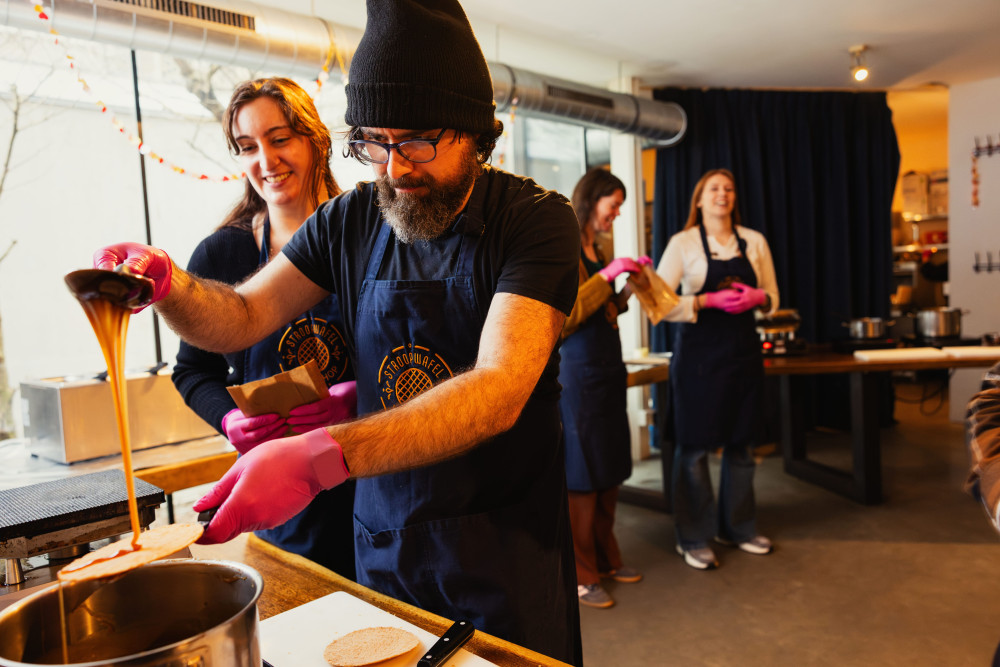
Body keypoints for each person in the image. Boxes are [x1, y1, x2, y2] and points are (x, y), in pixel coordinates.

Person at [92, 1, 582, 663]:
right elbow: (241, 316)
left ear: (474, 129)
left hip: (502, 553)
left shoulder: (535, 221)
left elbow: (498, 388)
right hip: (384, 545)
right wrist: (171, 284)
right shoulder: (352, 220)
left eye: (415, 140)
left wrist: (319, 454)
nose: (393, 168)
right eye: (373, 142)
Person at [170, 77, 357, 579]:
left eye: (280, 139)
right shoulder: (222, 254)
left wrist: (358, 395)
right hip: (283, 503)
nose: (266, 161)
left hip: (369, 480)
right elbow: (192, 372)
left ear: (315, 138)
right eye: (248, 146)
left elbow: (412, 352)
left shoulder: (363, 237)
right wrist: (230, 421)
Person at [654, 168, 779, 570]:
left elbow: (774, 298)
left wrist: (760, 297)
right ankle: (692, 537)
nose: (722, 194)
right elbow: (659, 301)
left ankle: (738, 528)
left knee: (742, 445)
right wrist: (706, 303)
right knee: (693, 449)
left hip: (743, 356)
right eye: (714, 188)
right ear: (699, 199)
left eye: (728, 187)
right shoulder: (683, 243)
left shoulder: (754, 242)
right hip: (698, 362)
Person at [559, 167, 646, 609]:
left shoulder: (599, 248)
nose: (615, 214)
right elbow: (568, 317)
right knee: (583, 474)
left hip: (607, 371)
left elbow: (603, 311)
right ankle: (582, 573)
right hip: (578, 375)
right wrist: (608, 274)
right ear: (591, 200)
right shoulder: (564, 247)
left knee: (610, 466)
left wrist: (628, 289)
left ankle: (608, 558)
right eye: (613, 206)